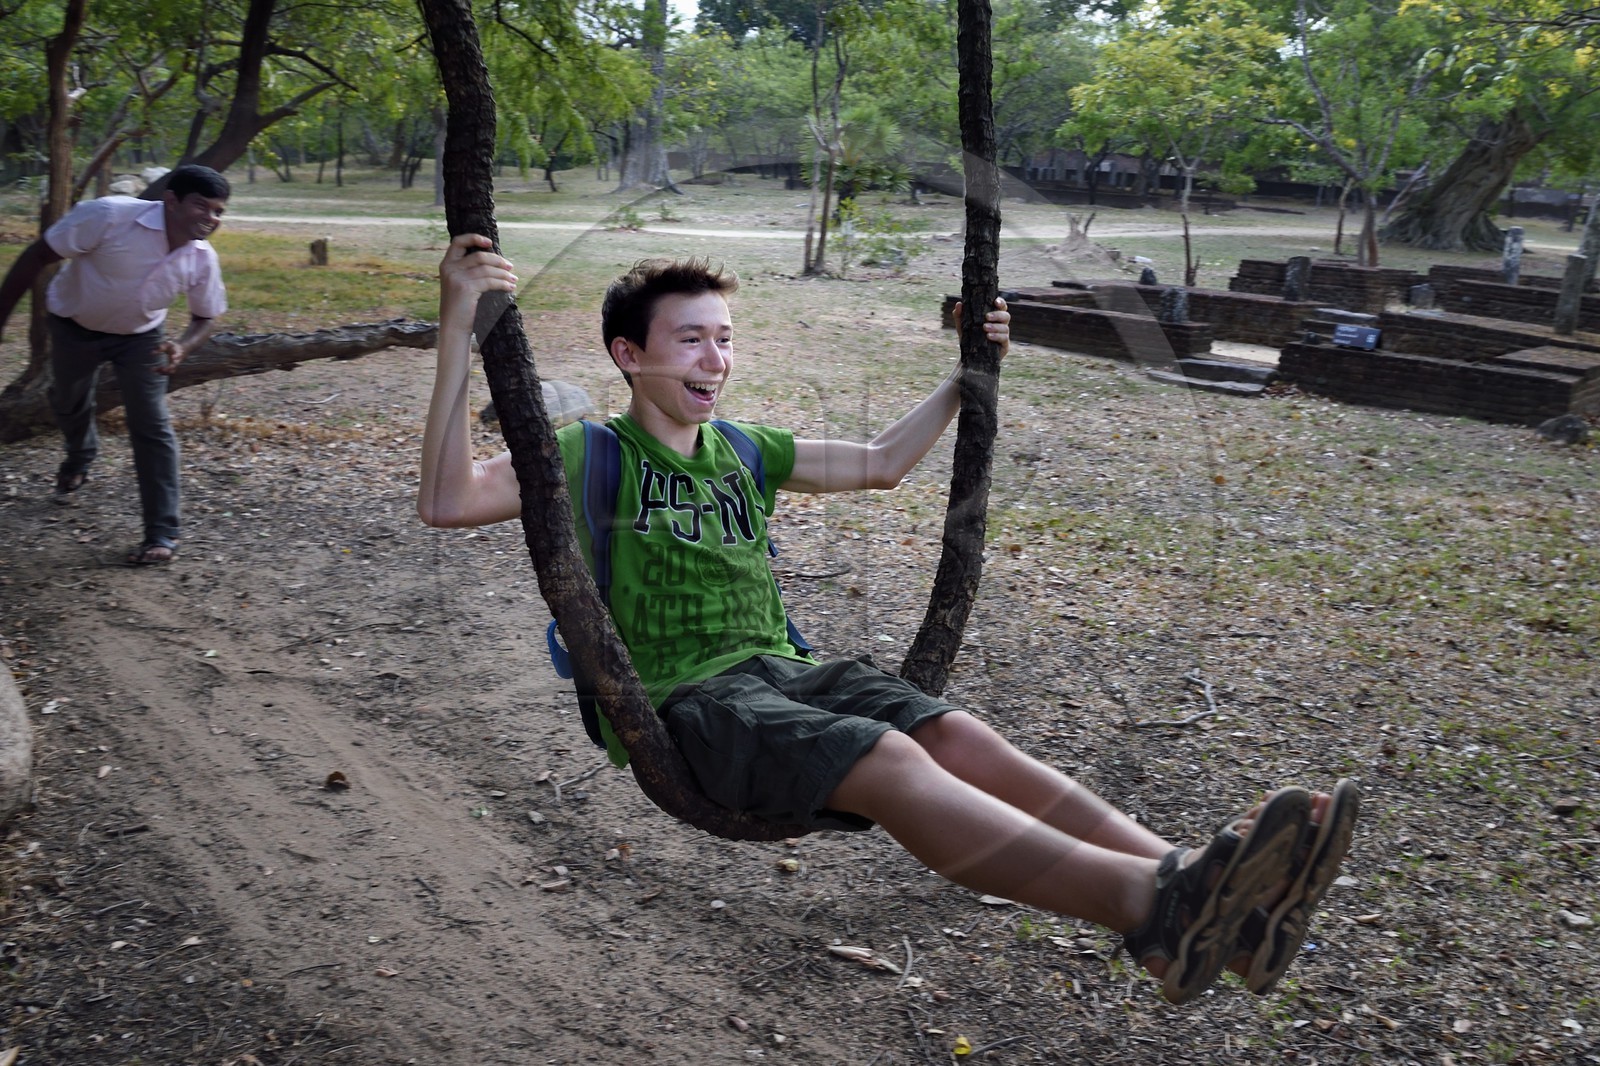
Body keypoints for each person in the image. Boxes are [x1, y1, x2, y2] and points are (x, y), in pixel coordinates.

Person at [418, 233, 1359, 1004]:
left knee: (954, 732)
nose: (718, 359)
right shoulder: (590, 451)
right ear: (631, 355)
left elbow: (879, 461)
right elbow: (449, 498)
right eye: (692, 340)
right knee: (894, 762)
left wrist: (969, 372)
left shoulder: (745, 449)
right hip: (684, 706)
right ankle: (1153, 905)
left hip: (781, 670)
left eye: (727, 338)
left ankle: (1209, 895)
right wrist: (460, 319)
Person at [0, 163, 231, 565]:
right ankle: (79, 455)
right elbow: (37, 255)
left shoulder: (201, 259)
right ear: (171, 200)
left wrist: (183, 346)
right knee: (68, 398)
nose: (211, 219)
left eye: (218, 211)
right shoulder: (108, 216)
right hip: (74, 326)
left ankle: (162, 532)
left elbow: (206, 316)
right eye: (202, 206)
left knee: (152, 425)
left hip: (142, 340)